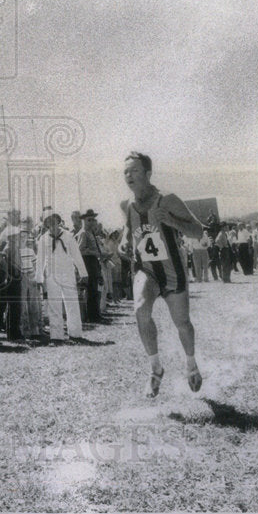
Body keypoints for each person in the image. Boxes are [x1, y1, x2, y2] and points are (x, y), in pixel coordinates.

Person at [119, 152, 204, 397]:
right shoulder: (127, 205)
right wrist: (123, 243)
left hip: (172, 271)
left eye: (134, 171)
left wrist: (173, 222)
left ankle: (191, 365)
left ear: (147, 174)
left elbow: (198, 231)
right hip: (147, 271)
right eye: (125, 172)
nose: (129, 176)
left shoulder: (168, 201)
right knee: (140, 310)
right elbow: (127, 230)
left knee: (182, 324)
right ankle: (155, 369)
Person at [36, 213, 86, 343]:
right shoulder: (43, 239)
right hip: (52, 275)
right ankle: (56, 336)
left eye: (54, 220)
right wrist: (39, 278)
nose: (51, 223)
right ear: (45, 224)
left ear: (59, 221)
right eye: (48, 221)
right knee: (54, 305)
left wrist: (83, 272)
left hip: (68, 273)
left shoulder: (68, 236)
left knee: (72, 303)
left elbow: (76, 255)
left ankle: (75, 334)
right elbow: (40, 260)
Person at [0, 209, 25, 340]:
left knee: (13, 301)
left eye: (18, 215)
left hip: (12, 268)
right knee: (14, 301)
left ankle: (13, 330)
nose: (17, 217)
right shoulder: (11, 230)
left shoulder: (10, 230)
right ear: (9, 216)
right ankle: (13, 332)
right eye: (14, 215)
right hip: (12, 269)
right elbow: (6, 250)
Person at [75, 209, 104, 323]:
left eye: (93, 219)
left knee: (95, 289)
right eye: (89, 220)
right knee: (91, 289)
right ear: (83, 221)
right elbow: (80, 250)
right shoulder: (83, 233)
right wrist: (94, 252)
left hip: (93, 262)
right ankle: (92, 316)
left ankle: (95, 314)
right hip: (87, 262)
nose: (91, 222)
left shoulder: (90, 232)